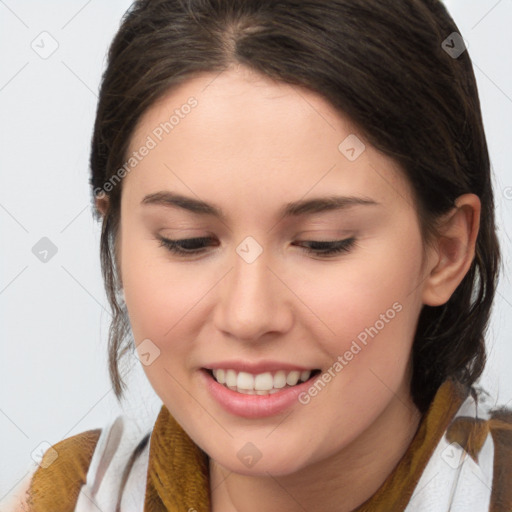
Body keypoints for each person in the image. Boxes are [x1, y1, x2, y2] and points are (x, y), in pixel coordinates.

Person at [6, 0, 512, 510]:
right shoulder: (59, 496)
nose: (248, 316)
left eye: (323, 242)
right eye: (187, 241)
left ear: (446, 251)